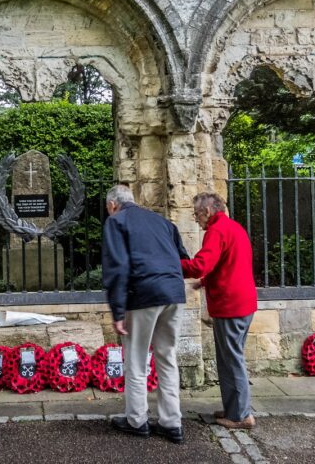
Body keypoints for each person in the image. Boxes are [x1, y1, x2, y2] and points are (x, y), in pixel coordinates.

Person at [101, 184, 188, 444]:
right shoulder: (162, 222)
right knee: (167, 357)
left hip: (143, 293)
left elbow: (118, 267)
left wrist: (117, 311)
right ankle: (172, 422)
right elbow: (182, 257)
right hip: (173, 292)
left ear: (112, 205)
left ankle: (136, 420)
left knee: (137, 359)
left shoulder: (116, 222)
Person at [181, 192, 258, 430]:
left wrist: (170, 264)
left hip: (230, 305)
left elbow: (201, 265)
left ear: (208, 211)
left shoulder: (216, 231)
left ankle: (241, 416)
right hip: (243, 302)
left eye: (197, 214)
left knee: (231, 360)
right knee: (229, 358)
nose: (196, 219)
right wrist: (204, 283)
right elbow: (229, 263)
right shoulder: (233, 227)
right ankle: (234, 409)